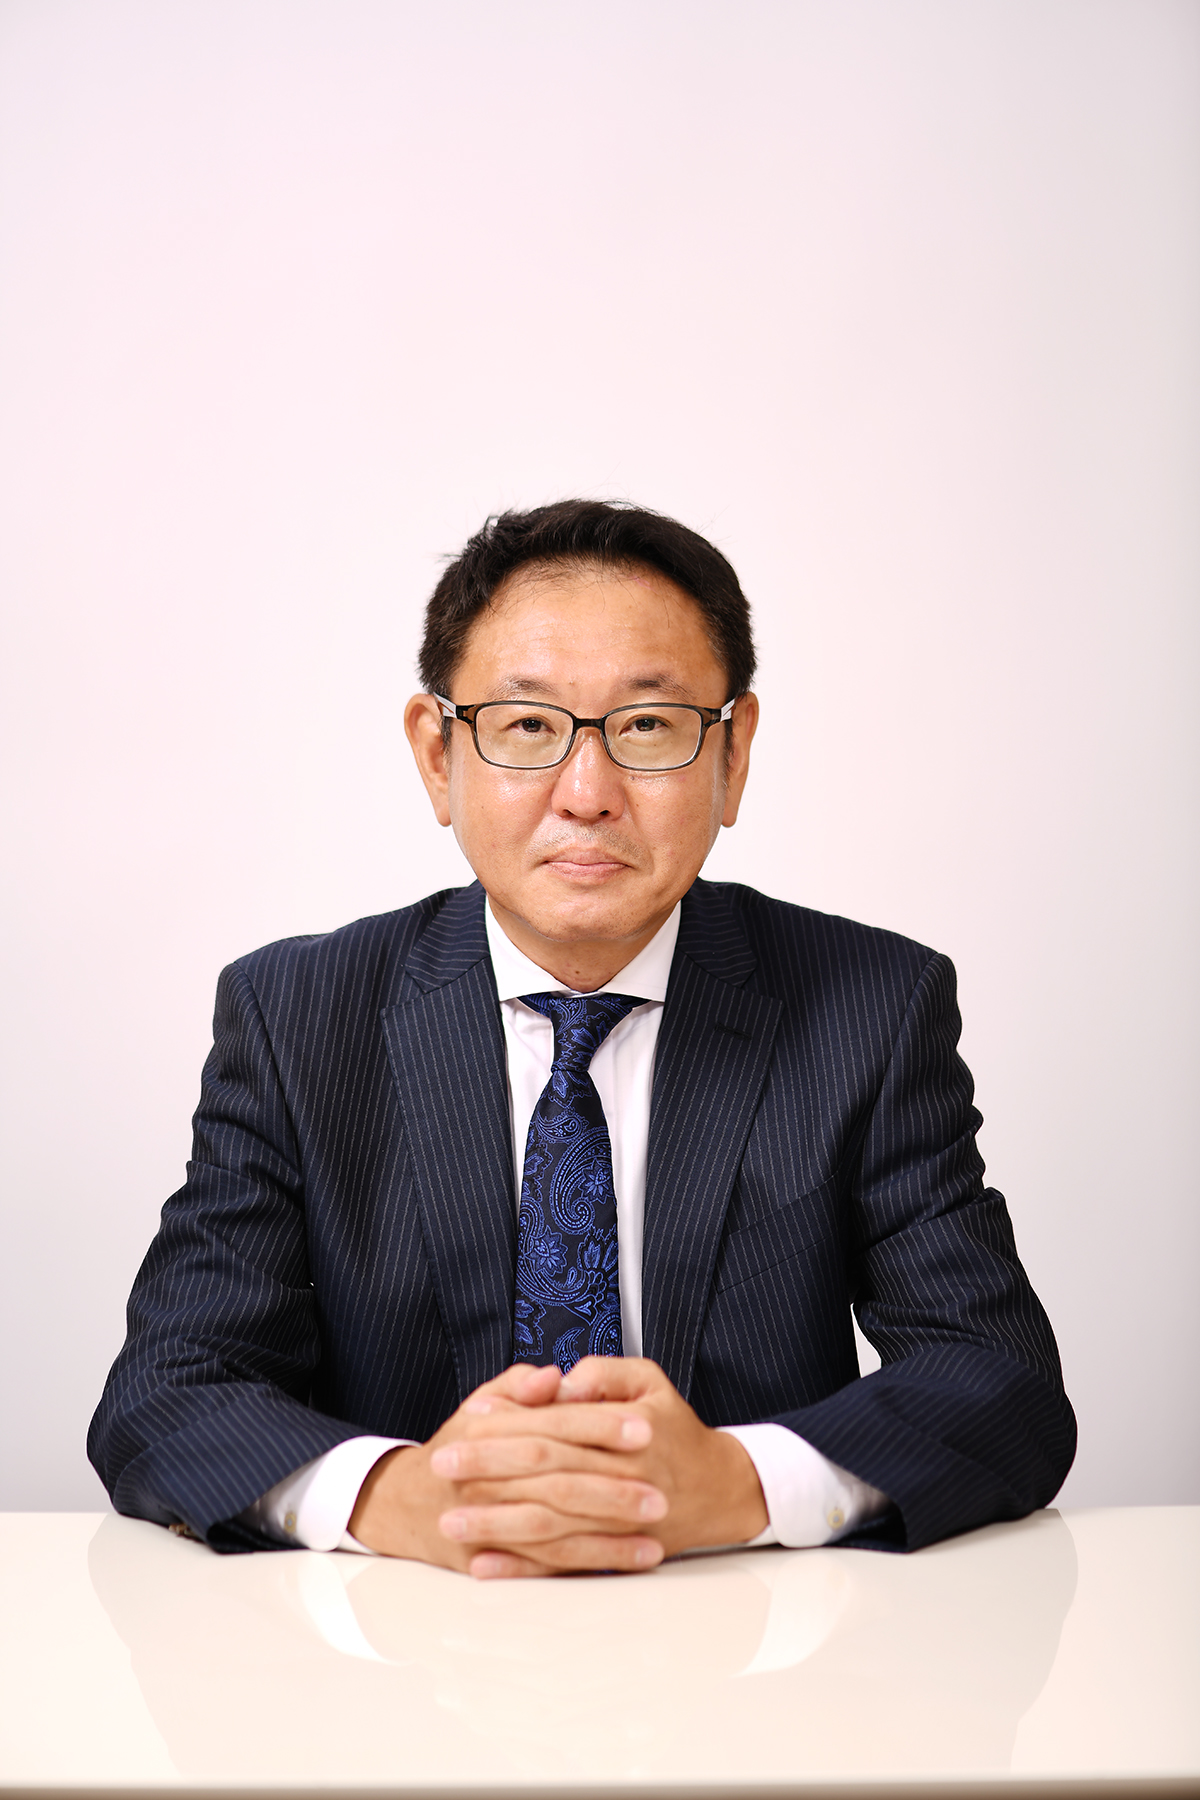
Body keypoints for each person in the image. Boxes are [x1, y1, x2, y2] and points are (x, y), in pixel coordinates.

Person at [89, 500, 1076, 1578]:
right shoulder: (298, 1016)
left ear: (733, 753)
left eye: (648, 726)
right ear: (437, 755)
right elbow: (168, 1392)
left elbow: (1000, 1383)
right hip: (403, 1640)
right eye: (526, 726)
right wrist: (409, 1500)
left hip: (754, 1634)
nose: (588, 793)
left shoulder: (870, 1006)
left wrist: (735, 1485)